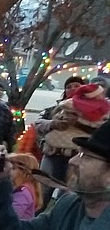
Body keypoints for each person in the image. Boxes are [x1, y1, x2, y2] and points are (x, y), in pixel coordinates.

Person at [34, 80, 108, 208]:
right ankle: (34, 215)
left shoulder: (101, 111)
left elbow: (102, 132)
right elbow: (38, 124)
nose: (72, 88)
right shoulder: (55, 108)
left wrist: (78, 123)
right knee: (43, 189)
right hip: (52, 154)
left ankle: (62, 216)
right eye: (69, 86)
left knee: (69, 192)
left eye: (76, 86)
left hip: (77, 157)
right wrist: (53, 124)